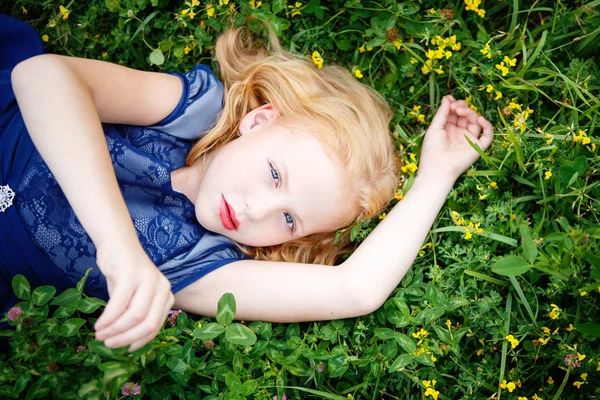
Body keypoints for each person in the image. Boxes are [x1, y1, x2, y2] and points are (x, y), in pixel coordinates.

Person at [0, 14, 494, 353]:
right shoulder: (194, 112)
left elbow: (355, 289)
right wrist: (119, 248)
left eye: (288, 219)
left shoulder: (205, 266)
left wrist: (437, 174)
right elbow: (41, 77)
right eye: (275, 174)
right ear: (258, 121)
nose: (258, 209)